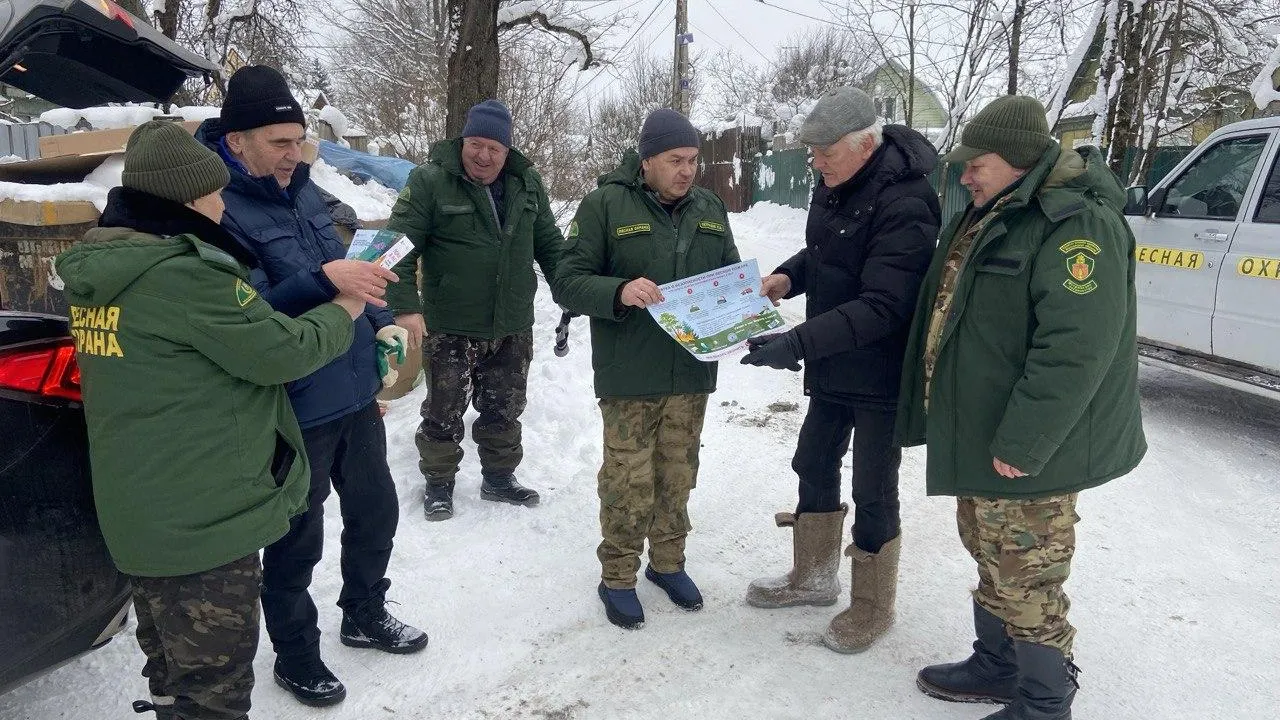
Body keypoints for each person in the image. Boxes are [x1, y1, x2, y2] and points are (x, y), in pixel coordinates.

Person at [55, 120, 364, 720]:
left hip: (142, 513)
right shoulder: (182, 274)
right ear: (187, 199)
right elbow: (282, 352)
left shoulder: (102, 269)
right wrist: (345, 306)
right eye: (214, 193)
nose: (223, 205)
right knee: (215, 691)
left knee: (172, 673)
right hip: (203, 523)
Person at [896, 96, 1147, 719]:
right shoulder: (997, 211)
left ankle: (1044, 704)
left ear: (1017, 159)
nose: (965, 175)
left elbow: (1076, 349)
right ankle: (998, 664)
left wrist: (1025, 440)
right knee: (989, 550)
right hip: (984, 430)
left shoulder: (1076, 226)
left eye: (976, 163)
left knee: (1026, 571)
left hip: (1028, 444)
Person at [196, 65, 427, 709]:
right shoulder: (219, 209)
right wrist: (325, 281)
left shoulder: (303, 191)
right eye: (279, 141)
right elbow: (250, 316)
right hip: (293, 404)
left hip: (354, 391)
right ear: (236, 140)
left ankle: (364, 613)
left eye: (299, 140)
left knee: (376, 511)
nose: (294, 154)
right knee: (296, 539)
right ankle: (296, 654)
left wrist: (381, 326)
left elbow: (357, 272)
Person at [739, 87, 941, 654]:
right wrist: (787, 277)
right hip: (835, 358)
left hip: (879, 371)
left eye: (825, 152)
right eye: (812, 152)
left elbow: (884, 305)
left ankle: (872, 607)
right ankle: (813, 578)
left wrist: (797, 343)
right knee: (813, 460)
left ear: (864, 145)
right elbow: (827, 255)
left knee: (873, 488)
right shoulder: (835, 182)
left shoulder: (908, 201)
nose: (815, 162)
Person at [552, 108, 741, 629]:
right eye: (676, 160)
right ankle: (617, 577)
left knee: (678, 474)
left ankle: (668, 564)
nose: (687, 170)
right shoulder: (605, 205)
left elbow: (728, 275)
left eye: (693, 160)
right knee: (628, 480)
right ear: (647, 160)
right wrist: (619, 290)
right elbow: (566, 280)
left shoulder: (709, 207)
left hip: (690, 372)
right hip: (630, 374)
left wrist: (749, 302)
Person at [383, 99, 563, 520]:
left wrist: (571, 287)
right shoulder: (430, 181)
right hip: (451, 323)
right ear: (462, 140)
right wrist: (406, 307)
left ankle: (499, 478)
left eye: (493, 148)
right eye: (475, 144)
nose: (483, 155)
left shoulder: (527, 183)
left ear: (507, 150)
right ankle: (438, 483)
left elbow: (551, 244)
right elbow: (397, 246)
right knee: (443, 410)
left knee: (505, 407)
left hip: (511, 322)